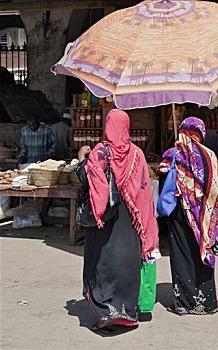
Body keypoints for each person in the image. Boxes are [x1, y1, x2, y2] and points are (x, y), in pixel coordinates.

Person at [76, 109, 158, 331]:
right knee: (127, 262)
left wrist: (82, 159)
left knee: (102, 262)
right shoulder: (137, 154)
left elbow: (89, 181)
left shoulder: (100, 152)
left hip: (106, 218)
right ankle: (128, 312)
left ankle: (107, 313)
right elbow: (143, 189)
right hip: (130, 218)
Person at [158, 117, 218, 315]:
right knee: (201, 252)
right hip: (203, 215)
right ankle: (207, 302)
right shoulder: (210, 155)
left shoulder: (173, 154)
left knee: (181, 255)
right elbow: (217, 188)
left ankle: (185, 303)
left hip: (179, 215)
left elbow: (163, 182)